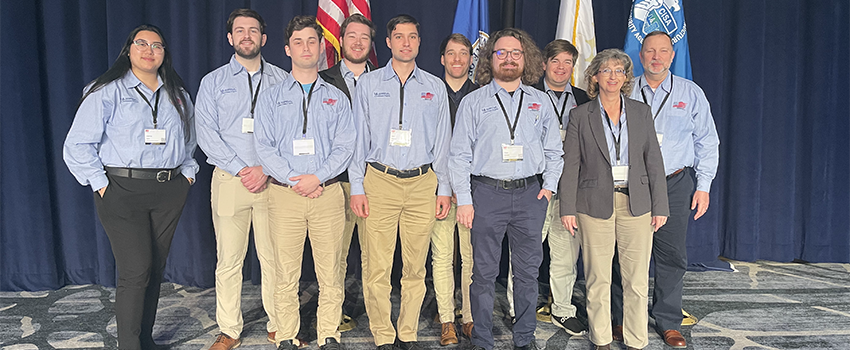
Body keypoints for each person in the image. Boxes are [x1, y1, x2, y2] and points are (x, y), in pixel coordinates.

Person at [63, 24, 197, 350]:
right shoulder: (105, 91)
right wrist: (101, 185)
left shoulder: (178, 94)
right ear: (129, 49)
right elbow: (77, 145)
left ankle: (144, 339)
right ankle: (129, 346)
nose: (149, 50)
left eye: (157, 45)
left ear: (165, 53)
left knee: (154, 268)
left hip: (169, 191)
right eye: (142, 43)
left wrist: (188, 174)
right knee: (136, 269)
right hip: (122, 190)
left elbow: (189, 141)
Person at [450, 28, 563, 350]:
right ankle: (483, 340)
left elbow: (555, 151)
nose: (509, 58)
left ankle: (524, 339)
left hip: (530, 196)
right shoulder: (474, 102)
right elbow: (458, 154)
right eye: (501, 53)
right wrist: (466, 200)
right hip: (486, 195)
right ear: (490, 58)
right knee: (483, 275)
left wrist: (549, 187)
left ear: (525, 58)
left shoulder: (540, 102)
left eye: (515, 53)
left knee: (527, 275)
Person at [348, 14, 452, 350]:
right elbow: (357, 139)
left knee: (415, 266)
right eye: (399, 36)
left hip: (423, 183)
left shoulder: (434, 87)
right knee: (377, 266)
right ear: (388, 42)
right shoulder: (368, 84)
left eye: (412, 37)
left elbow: (444, 143)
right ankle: (382, 334)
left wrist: (445, 188)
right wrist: (358, 186)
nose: (406, 42)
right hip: (379, 180)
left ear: (419, 43)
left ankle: (407, 332)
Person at [610, 30, 720, 349]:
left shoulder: (691, 92)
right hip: (630, 184)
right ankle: (620, 318)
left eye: (663, 51)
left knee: (671, 255)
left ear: (673, 56)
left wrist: (704, 186)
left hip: (674, 182)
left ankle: (668, 321)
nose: (656, 57)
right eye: (649, 51)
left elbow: (707, 141)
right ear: (640, 56)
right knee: (624, 254)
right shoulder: (625, 91)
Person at [253, 15, 355, 350]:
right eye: (298, 42)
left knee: (330, 272)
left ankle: (329, 333)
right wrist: (293, 179)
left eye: (312, 41)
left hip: (326, 193)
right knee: (286, 273)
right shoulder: (270, 97)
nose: (306, 47)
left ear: (320, 46)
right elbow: (263, 146)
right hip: (285, 195)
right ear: (287, 49)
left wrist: (318, 177)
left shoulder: (337, 97)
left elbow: (345, 145)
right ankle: (286, 335)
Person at [559, 48, 668, 350]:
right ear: (594, 76)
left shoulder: (640, 112)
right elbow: (571, 165)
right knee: (598, 279)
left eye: (619, 70)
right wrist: (567, 207)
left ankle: (636, 341)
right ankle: (602, 339)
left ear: (625, 78)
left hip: (637, 205)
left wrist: (660, 206)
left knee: (636, 280)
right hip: (593, 205)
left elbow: (654, 162)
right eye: (606, 70)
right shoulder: (580, 115)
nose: (613, 76)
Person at [195, 9, 290, 349]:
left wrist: (265, 168)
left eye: (253, 30)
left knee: (273, 258)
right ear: (230, 38)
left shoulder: (283, 80)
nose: (247, 35)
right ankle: (229, 329)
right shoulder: (213, 82)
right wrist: (241, 168)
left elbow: (290, 132)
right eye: (240, 30)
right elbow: (206, 134)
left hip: (273, 182)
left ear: (264, 39)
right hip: (229, 181)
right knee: (229, 261)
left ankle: (278, 323)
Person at [506, 38, 590, 335]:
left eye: (568, 62)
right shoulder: (526, 95)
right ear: (543, 65)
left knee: (566, 253)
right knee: (525, 254)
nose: (561, 67)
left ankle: (563, 310)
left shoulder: (583, 98)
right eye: (555, 61)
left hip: (571, 190)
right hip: (535, 187)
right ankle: (519, 310)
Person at [318, 13, 377, 333]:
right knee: (335, 256)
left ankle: (376, 316)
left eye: (364, 37)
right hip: (336, 183)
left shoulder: (385, 80)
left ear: (371, 43)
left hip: (376, 181)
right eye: (351, 36)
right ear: (340, 41)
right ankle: (334, 313)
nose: (357, 42)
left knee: (374, 256)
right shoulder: (322, 79)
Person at [431, 32, 478, 346]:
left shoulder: (483, 96)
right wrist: (443, 187)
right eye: (452, 53)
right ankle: (447, 318)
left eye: (464, 53)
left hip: (473, 191)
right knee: (442, 256)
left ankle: (470, 316)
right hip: (438, 190)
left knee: (472, 258)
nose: (458, 59)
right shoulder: (430, 93)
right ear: (442, 59)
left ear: (471, 59)